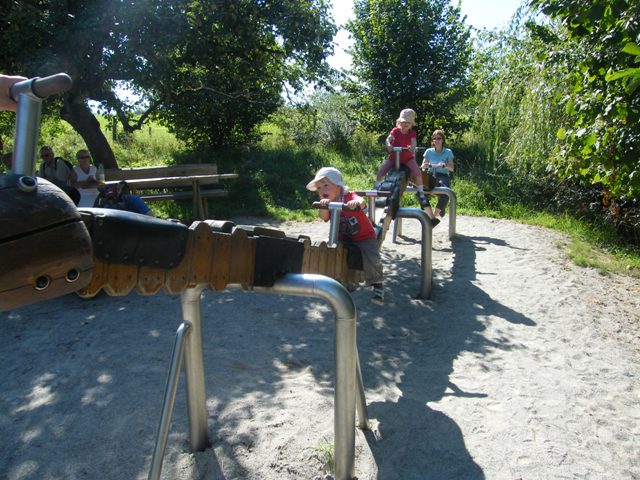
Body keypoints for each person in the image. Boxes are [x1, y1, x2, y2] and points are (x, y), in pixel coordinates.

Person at [307, 166, 384, 305]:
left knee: (371, 254)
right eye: (319, 188)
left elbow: (361, 202)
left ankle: (377, 284)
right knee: (329, 248)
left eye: (326, 185)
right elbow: (324, 217)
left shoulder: (349, 196)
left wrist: (356, 203)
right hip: (342, 237)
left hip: (364, 236)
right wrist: (324, 206)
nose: (322, 190)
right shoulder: (328, 202)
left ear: (338, 186)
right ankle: (335, 279)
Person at [374, 108, 429, 202]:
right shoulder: (395, 131)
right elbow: (388, 139)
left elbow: (414, 142)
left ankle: (420, 191)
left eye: (408, 122)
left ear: (411, 124)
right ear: (399, 122)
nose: (405, 124)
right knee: (382, 171)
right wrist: (389, 145)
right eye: (403, 122)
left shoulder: (412, 133)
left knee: (417, 173)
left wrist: (413, 147)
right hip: (394, 157)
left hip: (407, 158)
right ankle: (376, 187)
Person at [421, 129, 455, 224]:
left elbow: (452, 168)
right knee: (420, 193)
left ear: (443, 140)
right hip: (430, 175)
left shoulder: (448, 152)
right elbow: (422, 166)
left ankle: (434, 215)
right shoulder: (428, 151)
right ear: (432, 140)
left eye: (439, 138)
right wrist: (425, 165)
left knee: (446, 193)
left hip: (442, 175)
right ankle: (430, 216)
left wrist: (445, 165)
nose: (436, 140)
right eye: (434, 138)